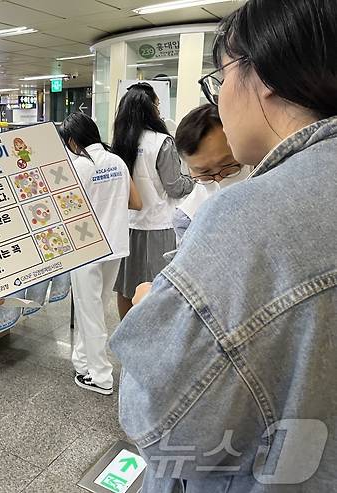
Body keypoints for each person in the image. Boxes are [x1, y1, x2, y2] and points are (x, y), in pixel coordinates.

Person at [109, 0, 337, 491]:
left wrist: (153, 311)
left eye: (221, 75)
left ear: (268, 74)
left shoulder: (248, 220)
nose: (220, 96)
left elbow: (164, 423)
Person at [60, 112, 142, 395]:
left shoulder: (78, 166)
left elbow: (65, 210)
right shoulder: (117, 161)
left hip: (86, 250)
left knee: (89, 311)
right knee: (95, 308)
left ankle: (101, 376)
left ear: (71, 140)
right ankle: (82, 362)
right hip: (115, 245)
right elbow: (135, 202)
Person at [111, 83, 194, 318]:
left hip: (128, 225)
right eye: (157, 105)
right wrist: (195, 179)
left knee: (126, 288)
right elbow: (175, 187)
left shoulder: (120, 143)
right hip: (158, 226)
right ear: (150, 109)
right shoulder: (162, 142)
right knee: (157, 288)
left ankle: (125, 336)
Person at [172, 104, 247, 244]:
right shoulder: (187, 219)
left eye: (228, 165)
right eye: (205, 172)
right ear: (189, 170)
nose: (219, 179)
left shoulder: (273, 181)